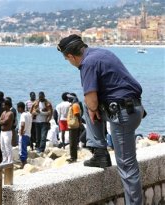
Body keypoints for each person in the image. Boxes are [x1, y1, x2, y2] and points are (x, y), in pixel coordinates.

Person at [58, 34, 145, 204]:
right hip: (133, 108)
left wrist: (93, 107)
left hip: (122, 113)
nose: (71, 63)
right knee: (89, 109)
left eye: (68, 60)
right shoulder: (102, 53)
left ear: (71, 56)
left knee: (127, 166)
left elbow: (91, 99)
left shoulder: (87, 64)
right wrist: (93, 108)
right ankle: (99, 152)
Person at [66, 94, 82, 163]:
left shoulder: (75, 105)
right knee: (73, 142)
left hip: (73, 126)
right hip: (73, 125)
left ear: (72, 99)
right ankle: (73, 157)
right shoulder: (74, 105)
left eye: (69, 98)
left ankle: (73, 157)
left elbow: (77, 115)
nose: (68, 100)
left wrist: (80, 123)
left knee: (72, 142)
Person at [17, 102, 32, 168]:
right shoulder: (29, 114)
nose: (17, 109)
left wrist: (21, 131)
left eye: (17, 108)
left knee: (22, 149)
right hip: (28, 133)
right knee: (24, 148)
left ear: (20, 108)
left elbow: (22, 124)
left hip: (23, 134)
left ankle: (23, 163)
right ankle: (24, 162)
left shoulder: (23, 115)